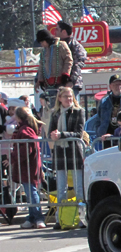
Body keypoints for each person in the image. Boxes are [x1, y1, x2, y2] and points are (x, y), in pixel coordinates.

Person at [48, 86, 86, 228]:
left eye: (70, 96)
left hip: (74, 151)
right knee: (61, 188)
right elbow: (50, 132)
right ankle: (61, 219)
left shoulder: (79, 111)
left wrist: (62, 135)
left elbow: (79, 133)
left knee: (78, 187)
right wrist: (52, 135)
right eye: (65, 96)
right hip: (59, 151)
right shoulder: (55, 113)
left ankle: (83, 219)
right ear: (60, 98)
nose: (68, 99)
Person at [4, 107, 45, 228]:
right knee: (30, 192)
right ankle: (32, 218)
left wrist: (12, 158)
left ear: (18, 117)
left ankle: (37, 217)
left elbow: (27, 146)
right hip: (28, 165)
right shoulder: (26, 127)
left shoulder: (25, 129)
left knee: (31, 192)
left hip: (28, 166)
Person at [87, 74, 121, 140]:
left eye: (120, 84)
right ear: (110, 86)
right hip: (106, 138)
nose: (118, 86)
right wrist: (99, 131)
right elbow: (98, 118)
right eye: (115, 84)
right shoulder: (104, 101)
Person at [53, 20, 88, 96]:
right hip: (56, 85)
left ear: (64, 32)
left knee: (71, 107)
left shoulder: (75, 46)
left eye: (57, 29)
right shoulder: (54, 46)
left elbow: (78, 64)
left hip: (71, 86)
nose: (54, 32)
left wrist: (70, 81)